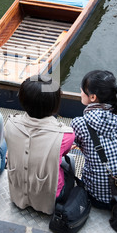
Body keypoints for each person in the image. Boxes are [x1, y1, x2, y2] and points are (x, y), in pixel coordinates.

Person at [4, 75, 75, 215]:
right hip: (49, 199)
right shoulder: (66, 135)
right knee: (70, 161)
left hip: (17, 195)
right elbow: (62, 153)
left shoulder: (10, 124)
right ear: (55, 104)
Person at [71, 70, 117, 210]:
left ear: (92, 97)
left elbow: (68, 145)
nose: (80, 91)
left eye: (82, 90)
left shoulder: (80, 124)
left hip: (99, 198)